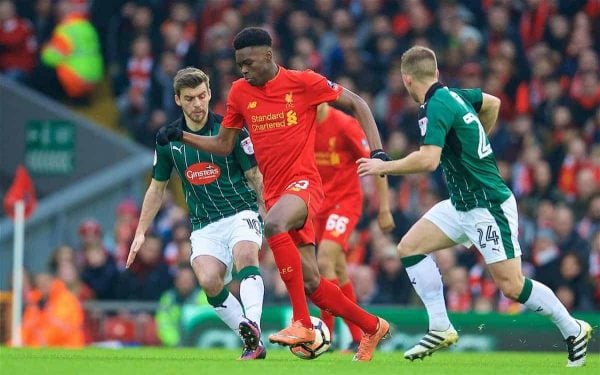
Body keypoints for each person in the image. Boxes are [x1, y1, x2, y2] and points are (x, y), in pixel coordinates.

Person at [156, 27, 391, 362]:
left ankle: (302, 324)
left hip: (305, 184)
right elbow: (224, 144)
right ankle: (371, 326)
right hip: (276, 193)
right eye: (239, 64)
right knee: (312, 282)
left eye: (249, 62)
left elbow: (358, 103)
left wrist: (378, 152)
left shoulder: (303, 82)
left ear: (268, 55)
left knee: (274, 225)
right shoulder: (239, 92)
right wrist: (183, 136)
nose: (244, 70)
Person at [357, 46, 593, 368]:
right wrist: (476, 139)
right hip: (461, 203)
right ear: (436, 73)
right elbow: (492, 102)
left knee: (511, 286)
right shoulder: (454, 96)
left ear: (406, 79)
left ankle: (573, 328)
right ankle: (440, 326)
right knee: (409, 247)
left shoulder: (434, 106)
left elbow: (428, 160)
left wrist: (384, 167)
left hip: (487, 205)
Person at [126, 67, 266, 360]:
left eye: (202, 96)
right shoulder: (168, 140)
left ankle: (253, 323)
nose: (197, 104)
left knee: (245, 256)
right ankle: (249, 337)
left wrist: (270, 213)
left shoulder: (232, 130)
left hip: (241, 210)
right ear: (178, 99)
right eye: (190, 98)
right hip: (204, 224)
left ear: (210, 94)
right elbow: (156, 187)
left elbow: (255, 176)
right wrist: (140, 231)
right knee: (208, 279)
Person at [314, 102, 395, 350]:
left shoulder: (345, 125)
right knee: (338, 270)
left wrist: (384, 208)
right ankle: (359, 336)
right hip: (317, 205)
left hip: (345, 203)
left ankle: (324, 336)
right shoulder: (303, 124)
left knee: (324, 261)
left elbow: (376, 163)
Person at [156, 266, 209, 347]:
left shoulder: (203, 297)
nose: (185, 282)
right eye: (182, 279)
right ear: (176, 281)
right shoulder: (168, 298)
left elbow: (207, 324)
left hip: (200, 344)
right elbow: (163, 323)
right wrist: (175, 343)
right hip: (173, 346)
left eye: (188, 279)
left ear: (194, 281)